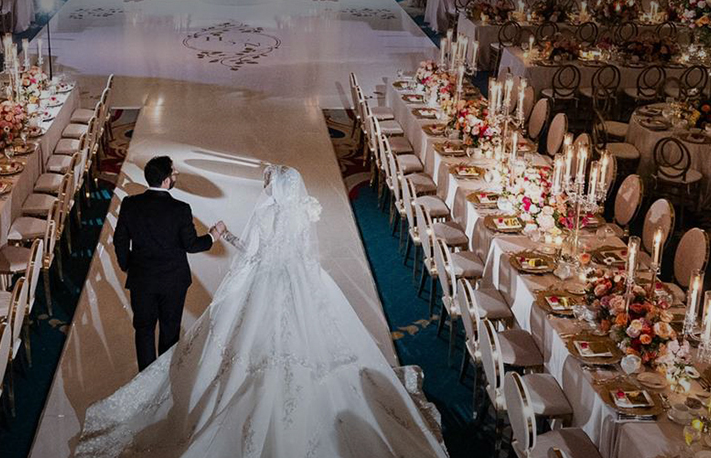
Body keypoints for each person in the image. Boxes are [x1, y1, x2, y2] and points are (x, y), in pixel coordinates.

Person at [74, 165, 448, 457]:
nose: (265, 187)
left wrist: (225, 234)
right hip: (302, 281)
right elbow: (304, 254)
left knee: (240, 344)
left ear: (276, 187)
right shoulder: (300, 214)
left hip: (264, 282)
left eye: (267, 181)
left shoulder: (267, 213)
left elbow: (252, 254)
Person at [111, 155, 216, 370]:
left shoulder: (130, 204)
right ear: (166, 181)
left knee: (144, 329)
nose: (176, 175)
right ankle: (162, 381)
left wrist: (128, 265)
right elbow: (192, 245)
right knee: (170, 330)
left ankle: (145, 379)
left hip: (142, 280)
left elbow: (120, 240)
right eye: (174, 173)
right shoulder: (180, 209)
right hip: (173, 281)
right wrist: (213, 236)